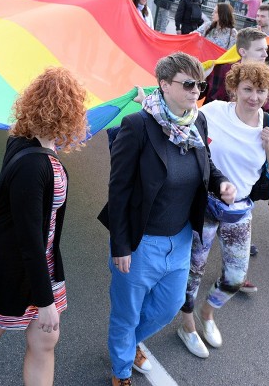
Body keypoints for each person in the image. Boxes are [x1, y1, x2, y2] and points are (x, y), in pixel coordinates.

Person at [99, 53, 234, 385]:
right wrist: (121, 245)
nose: (196, 91)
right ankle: (120, 370)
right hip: (142, 241)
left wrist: (220, 183)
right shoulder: (138, 126)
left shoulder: (197, 121)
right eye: (188, 84)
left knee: (169, 306)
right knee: (127, 312)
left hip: (182, 237)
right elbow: (118, 190)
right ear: (163, 84)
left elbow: (206, 165)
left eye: (199, 85)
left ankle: (126, 344)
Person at [0, 67, 87, 386]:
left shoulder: (25, 139)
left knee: (45, 342)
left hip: (41, 265)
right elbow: (29, 239)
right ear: (68, 114)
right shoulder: (36, 165)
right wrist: (45, 303)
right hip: (13, 267)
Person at [178, 62, 269, 358]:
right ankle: (187, 325)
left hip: (239, 211)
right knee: (193, 271)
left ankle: (207, 312)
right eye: (248, 89)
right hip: (206, 205)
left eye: (260, 90)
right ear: (235, 90)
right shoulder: (214, 111)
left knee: (236, 277)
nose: (254, 97)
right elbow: (183, 129)